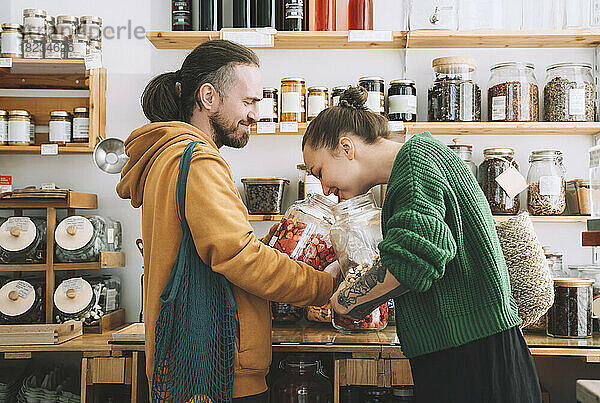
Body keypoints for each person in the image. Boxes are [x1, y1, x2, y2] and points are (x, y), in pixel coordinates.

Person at [116, 40, 335, 402]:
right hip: (216, 369)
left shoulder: (167, 155)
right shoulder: (197, 160)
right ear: (208, 97)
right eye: (248, 101)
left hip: (187, 364)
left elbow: (217, 248)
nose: (255, 113)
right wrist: (323, 286)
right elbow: (239, 258)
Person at [302, 86, 542, 402]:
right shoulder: (414, 166)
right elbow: (420, 247)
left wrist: (345, 302)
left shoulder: (416, 161)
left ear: (346, 147)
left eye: (319, 171)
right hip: (465, 349)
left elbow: (414, 261)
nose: (325, 188)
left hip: (473, 356)